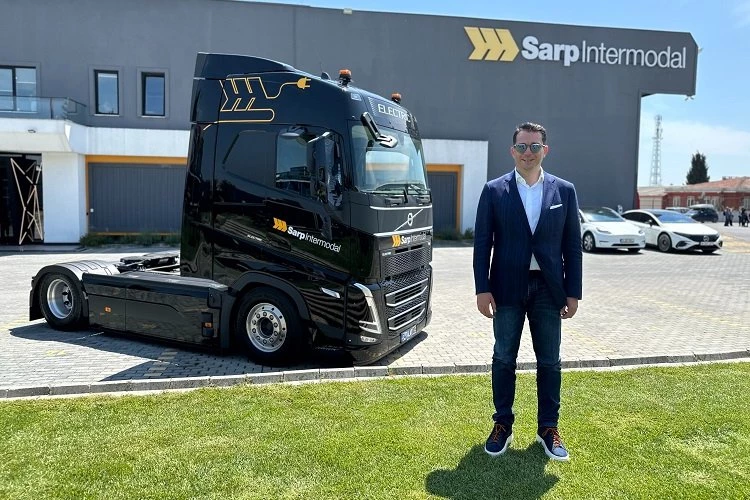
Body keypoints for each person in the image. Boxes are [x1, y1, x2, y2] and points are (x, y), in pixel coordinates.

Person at [473, 122, 582, 462]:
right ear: (513, 151)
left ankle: (548, 427)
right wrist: (482, 289)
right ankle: (502, 424)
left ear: (545, 150)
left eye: (535, 146)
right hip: (506, 288)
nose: (528, 153)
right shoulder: (494, 190)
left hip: (549, 289)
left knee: (549, 360)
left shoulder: (564, 191)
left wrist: (573, 292)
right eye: (522, 146)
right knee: (504, 357)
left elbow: (572, 246)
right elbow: (482, 243)